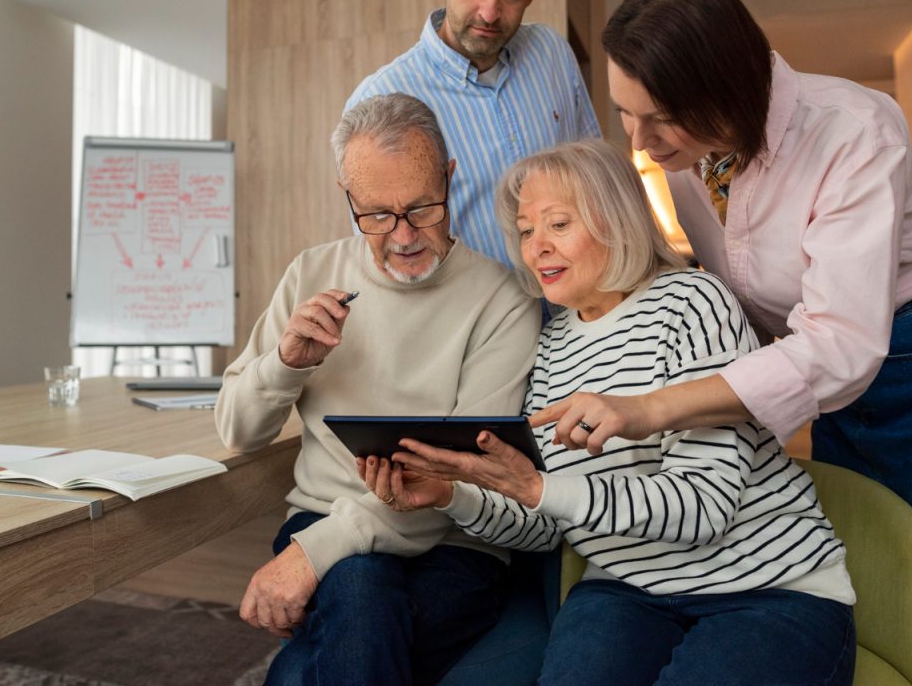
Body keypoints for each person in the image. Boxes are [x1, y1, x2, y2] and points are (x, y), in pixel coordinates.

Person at [550, 0, 912, 686]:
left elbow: (840, 346)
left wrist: (652, 407)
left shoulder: (854, 130)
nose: (640, 142)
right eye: (625, 113)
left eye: (658, 119)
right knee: (879, 577)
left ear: (726, 89)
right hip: (823, 376)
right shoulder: (688, 156)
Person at [361, 139, 856, 686]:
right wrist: (453, 495)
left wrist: (541, 490)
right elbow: (546, 524)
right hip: (627, 590)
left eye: (558, 224)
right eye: (526, 232)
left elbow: (704, 508)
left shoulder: (693, 302)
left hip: (766, 588)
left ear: (615, 221)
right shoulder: (552, 348)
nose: (537, 248)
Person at [214, 92, 541, 686]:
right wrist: (286, 363)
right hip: (320, 515)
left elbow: (464, 474)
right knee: (363, 589)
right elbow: (237, 429)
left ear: (449, 177)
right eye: (377, 215)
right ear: (348, 196)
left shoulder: (502, 299)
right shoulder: (311, 273)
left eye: (422, 207)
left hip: (453, 539)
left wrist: (312, 557)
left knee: (337, 630)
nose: (403, 235)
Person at [346, 0, 599, 269]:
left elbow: (595, 182)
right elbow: (382, 258)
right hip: (476, 324)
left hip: (576, 317)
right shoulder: (380, 99)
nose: (490, 11)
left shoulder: (552, 54)